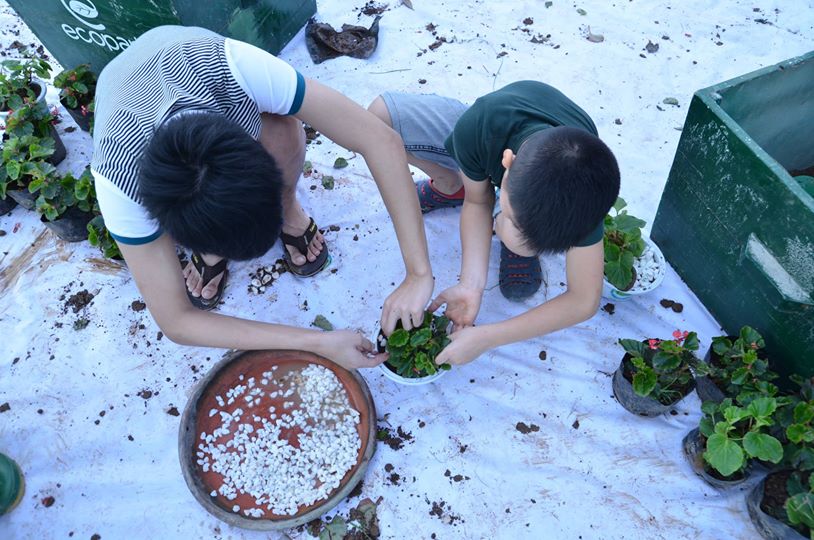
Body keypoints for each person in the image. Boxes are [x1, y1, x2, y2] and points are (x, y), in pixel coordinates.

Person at [91, 26, 434, 369]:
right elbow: (176, 322)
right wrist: (317, 342)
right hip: (122, 94)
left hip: (177, 53)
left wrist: (418, 273)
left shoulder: (230, 68)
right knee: (210, 225)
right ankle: (209, 251)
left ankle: (287, 207)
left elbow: (380, 140)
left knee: (282, 127)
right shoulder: (116, 180)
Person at [367, 81, 620, 366]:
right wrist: (470, 282)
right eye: (505, 218)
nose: (496, 227)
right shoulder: (479, 127)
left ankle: (518, 231)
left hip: (532, 180)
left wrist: (489, 336)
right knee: (377, 119)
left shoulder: (585, 191)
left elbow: (584, 300)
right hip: (490, 131)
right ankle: (451, 183)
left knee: (515, 223)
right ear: (507, 163)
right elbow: (478, 201)